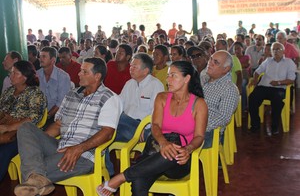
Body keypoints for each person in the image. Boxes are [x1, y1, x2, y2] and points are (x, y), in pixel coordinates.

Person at [14, 58, 123, 196]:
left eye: (84, 71)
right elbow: (58, 124)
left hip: (84, 155)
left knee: (30, 173)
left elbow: (107, 132)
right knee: (26, 127)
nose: (79, 74)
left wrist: (78, 149)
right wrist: (40, 143)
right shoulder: (72, 94)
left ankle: (34, 179)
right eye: (80, 70)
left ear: (97, 76)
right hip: (61, 146)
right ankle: (36, 178)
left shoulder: (110, 98)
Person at [97, 61, 208, 196]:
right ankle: (125, 177)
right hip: (156, 148)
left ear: (187, 78)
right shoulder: (162, 97)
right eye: (168, 76)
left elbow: (199, 137)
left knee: (173, 152)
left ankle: (120, 178)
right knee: (138, 182)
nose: (168, 80)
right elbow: (155, 126)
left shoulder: (198, 104)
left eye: (173, 75)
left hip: (180, 159)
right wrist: (163, 143)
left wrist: (188, 149)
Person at [0, 61, 47, 182]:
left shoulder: (35, 94)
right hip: (4, 129)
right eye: (11, 73)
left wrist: (8, 128)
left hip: (23, 135)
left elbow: (34, 118)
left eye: (15, 73)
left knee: (2, 153)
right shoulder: (9, 91)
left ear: (25, 77)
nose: (11, 76)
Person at [248, 42, 296, 135]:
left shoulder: (289, 62)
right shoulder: (268, 61)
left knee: (277, 101)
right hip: (264, 87)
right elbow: (257, 71)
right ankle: (255, 124)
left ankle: (274, 126)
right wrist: (255, 79)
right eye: (273, 49)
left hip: (278, 88)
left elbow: (291, 79)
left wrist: (278, 83)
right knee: (252, 98)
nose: (275, 51)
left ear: (283, 51)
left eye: (278, 49)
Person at [200, 50, 239, 147]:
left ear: (226, 69)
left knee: (177, 145)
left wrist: (199, 126)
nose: (210, 63)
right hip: (194, 124)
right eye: (211, 59)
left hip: (209, 133)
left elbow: (223, 117)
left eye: (215, 62)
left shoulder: (229, 89)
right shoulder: (204, 80)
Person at [37, 47, 71, 127]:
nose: (40, 59)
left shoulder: (63, 77)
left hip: (55, 116)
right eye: (40, 56)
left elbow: (61, 103)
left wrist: (46, 117)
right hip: (38, 115)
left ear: (53, 60)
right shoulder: (37, 75)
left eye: (44, 57)